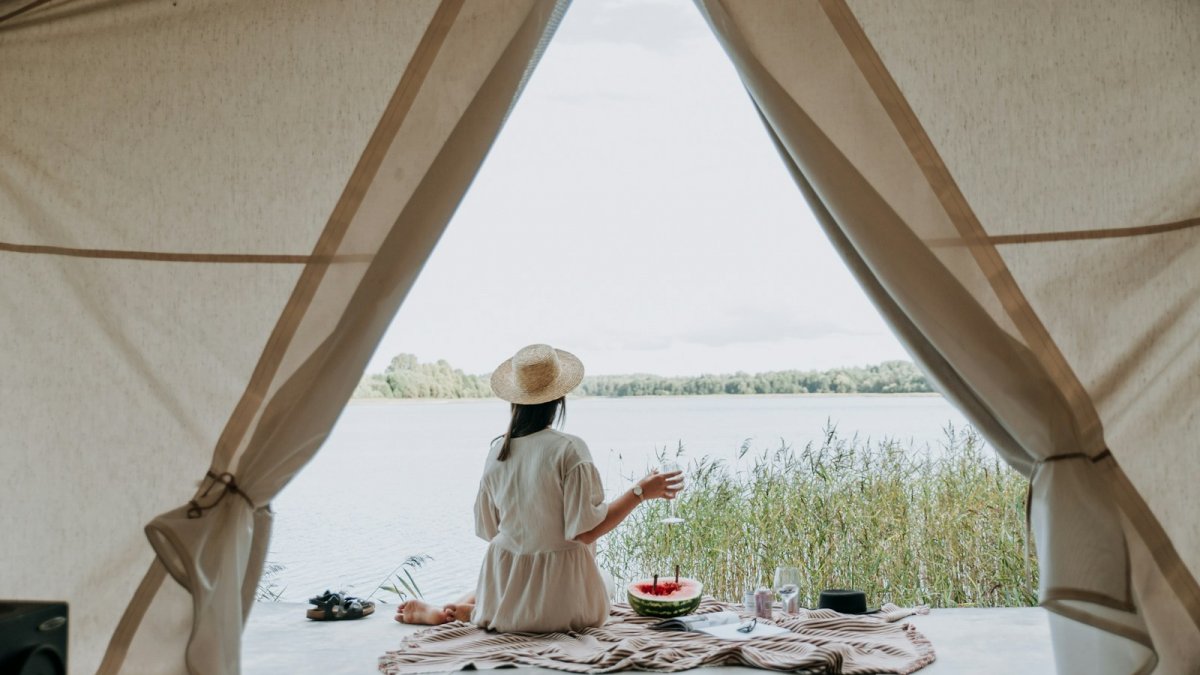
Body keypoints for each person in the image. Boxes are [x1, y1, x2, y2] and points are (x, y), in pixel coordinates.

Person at [395, 344, 684, 631]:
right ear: (560, 398)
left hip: (504, 600)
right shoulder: (569, 450)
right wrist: (641, 492)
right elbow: (586, 532)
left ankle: (465, 608)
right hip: (562, 608)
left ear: (514, 400)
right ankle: (469, 608)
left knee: (513, 566)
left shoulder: (497, 452)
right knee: (604, 579)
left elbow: (488, 530)